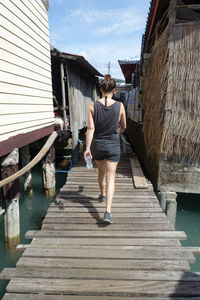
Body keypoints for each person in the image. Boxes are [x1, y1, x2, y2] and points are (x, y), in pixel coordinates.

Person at [84, 74, 126, 224]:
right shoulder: (120, 106)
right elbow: (124, 126)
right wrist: (118, 131)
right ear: (114, 90)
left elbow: (90, 128)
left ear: (101, 89)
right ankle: (107, 212)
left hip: (98, 145)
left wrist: (87, 148)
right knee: (111, 178)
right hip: (113, 145)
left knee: (101, 172)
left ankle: (102, 194)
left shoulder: (91, 106)